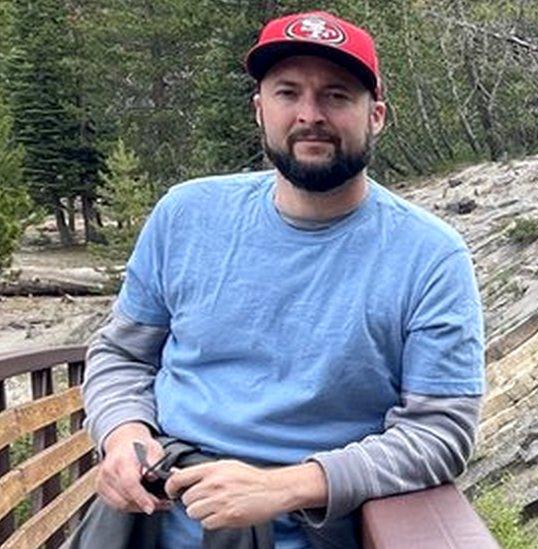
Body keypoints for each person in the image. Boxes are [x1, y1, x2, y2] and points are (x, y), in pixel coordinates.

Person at [80, 10, 485, 549]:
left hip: (305, 530)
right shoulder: (186, 214)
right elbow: (122, 355)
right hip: (145, 523)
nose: (309, 115)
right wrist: (124, 431)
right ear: (259, 109)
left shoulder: (430, 257)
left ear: (377, 116)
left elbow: (440, 432)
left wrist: (289, 485)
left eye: (337, 96)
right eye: (288, 93)